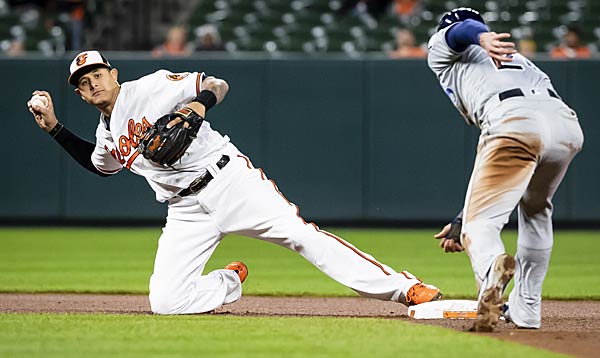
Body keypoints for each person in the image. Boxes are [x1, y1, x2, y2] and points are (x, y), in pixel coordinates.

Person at [27, 50, 442, 315]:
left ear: (113, 74)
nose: (93, 83)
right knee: (166, 303)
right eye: (83, 83)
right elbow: (98, 165)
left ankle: (404, 288)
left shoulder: (151, 86)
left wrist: (197, 105)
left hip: (229, 181)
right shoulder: (106, 135)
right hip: (185, 210)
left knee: (302, 236)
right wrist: (54, 130)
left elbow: (216, 84)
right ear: (81, 95)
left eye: (97, 73)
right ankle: (228, 281)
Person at [427, 8, 583, 331]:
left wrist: (479, 35)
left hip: (513, 119)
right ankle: (526, 312)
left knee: (480, 225)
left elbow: (461, 30)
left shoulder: (443, 49)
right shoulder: (517, 58)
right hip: (564, 124)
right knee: (537, 211)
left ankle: (490, 278)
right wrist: (462, 216)